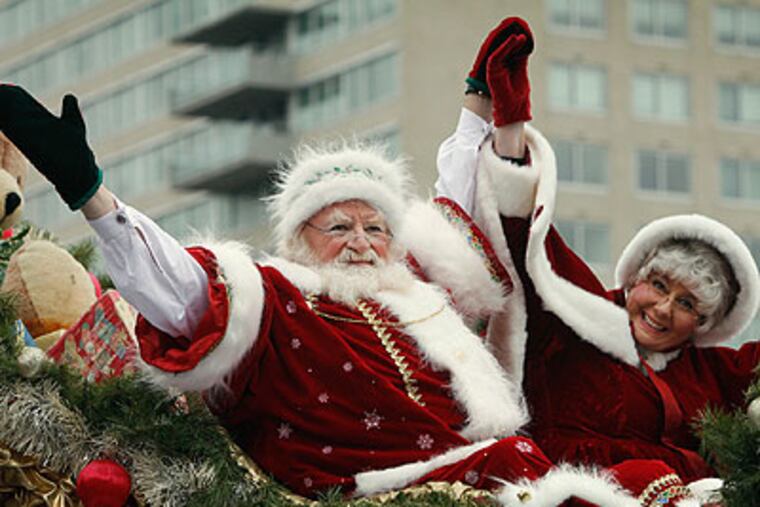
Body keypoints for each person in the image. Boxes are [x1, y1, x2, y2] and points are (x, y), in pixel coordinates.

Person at [0, 77, 702, 505]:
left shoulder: (420, 300)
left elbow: (455, 205)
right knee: (532, 471)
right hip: (386, 483)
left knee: (642, 476)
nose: (362, 240)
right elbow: (177, 288)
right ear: (302, 238)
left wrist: (478, 108)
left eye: (375, 226)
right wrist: (91, 193)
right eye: (339, 225)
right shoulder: (275, 296)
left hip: (485, 463)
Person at [436, 15, 760, 489]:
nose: (664, 309)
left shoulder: (714, 374)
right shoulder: (576, 316)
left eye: (688, 304)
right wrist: (508, 122)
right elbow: (525, 244)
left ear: (707, 324)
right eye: (660, 285)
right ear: (635, 280)